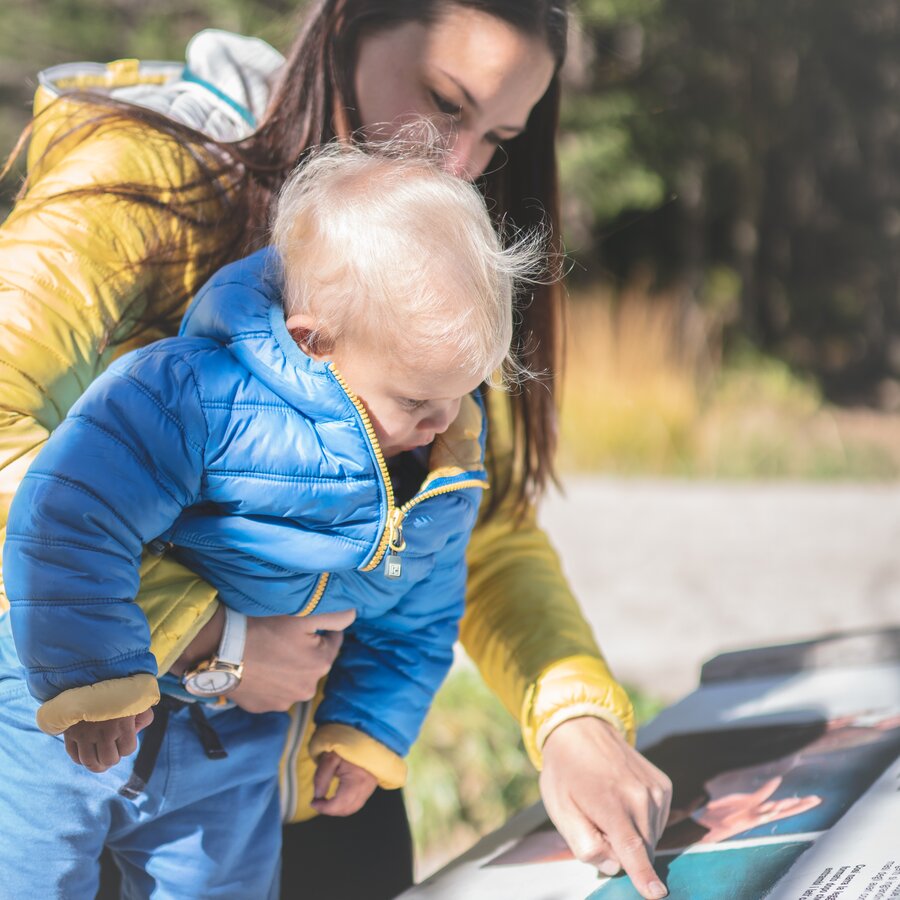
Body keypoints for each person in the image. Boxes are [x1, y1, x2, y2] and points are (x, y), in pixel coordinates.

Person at [0, 3, 672, 898]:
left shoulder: (432, 251)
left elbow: (470, 524)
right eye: (444, 99)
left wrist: (570, 716)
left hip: (319, 799)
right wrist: (215, 637)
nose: (462, 163)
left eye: (499, 135)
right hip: (93, 773)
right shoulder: (141, 180)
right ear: (350, 25)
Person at [0, 139, 539, 897]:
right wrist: (90, 678)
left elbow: (421, 613)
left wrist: (366, 729)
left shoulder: (441, 467)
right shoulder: (196, 394)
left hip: (235, 739)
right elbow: (68, 514)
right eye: (416, 401)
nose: (445, 421)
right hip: (63, 705)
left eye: (465, 393)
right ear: (311, 343)